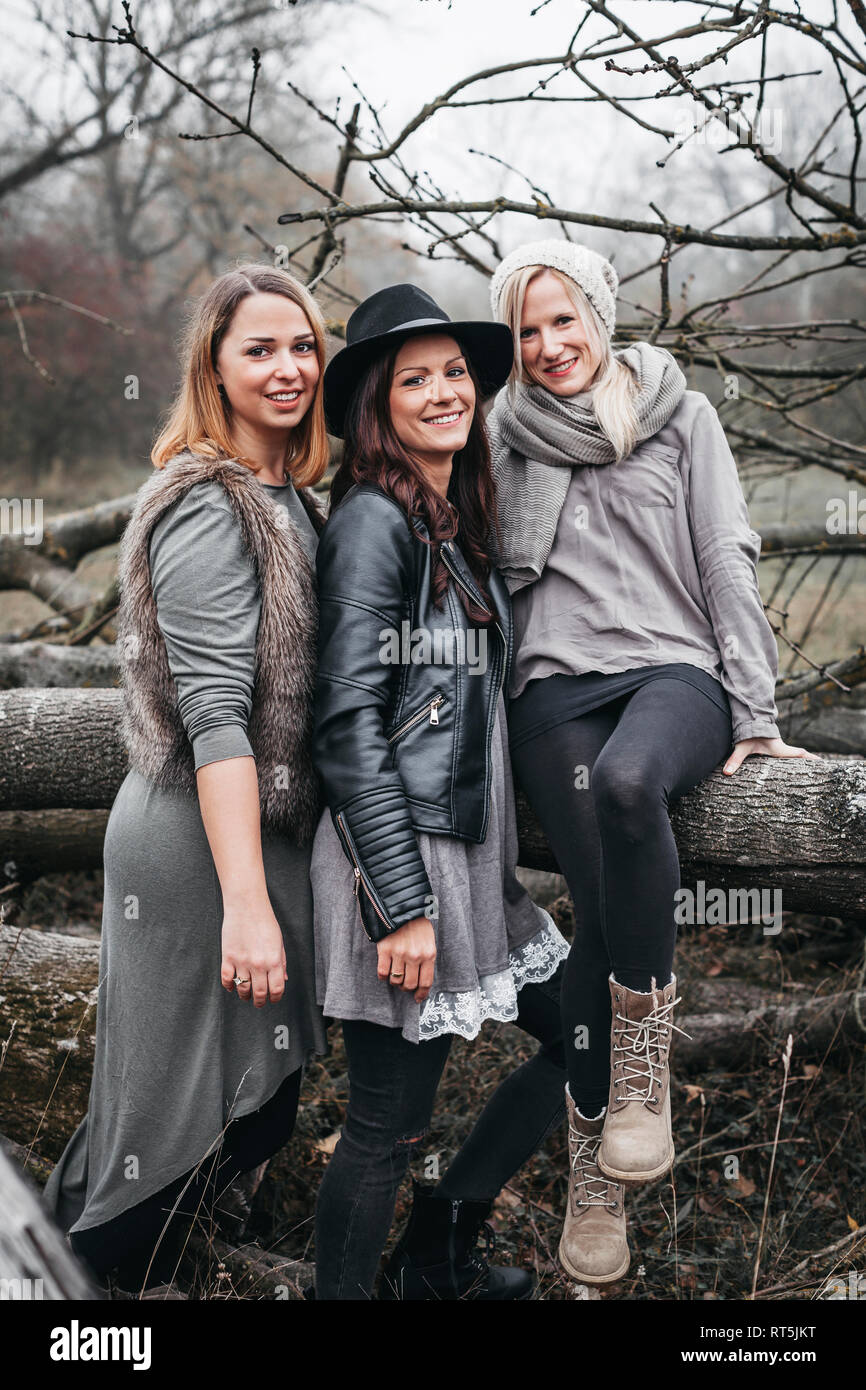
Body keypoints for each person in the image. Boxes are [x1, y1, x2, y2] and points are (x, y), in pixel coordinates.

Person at [486, 238, 820, 1285]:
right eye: (525, 330)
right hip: (549, 693)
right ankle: (595, 1178)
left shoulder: (678, 413)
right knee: (598, 911)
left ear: (599, 312)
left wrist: (753, 704)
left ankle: (641, 1072)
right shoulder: (499, 434)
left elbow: (723, 552)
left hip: (670, 679)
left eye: (561, 320)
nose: (546, 346)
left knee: (631, 787)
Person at [42, 263, 330, 1293]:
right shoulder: (210, 503)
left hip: (258, 842)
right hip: (196, 852)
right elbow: (216, 715)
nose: (288, 367)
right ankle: (74, 1297)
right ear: (211, 365)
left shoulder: (288, 495)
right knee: (168, 1138)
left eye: (302, 346)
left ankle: (104, 1283)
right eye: (259, 349)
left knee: (254, 1113)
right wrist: (245, 905)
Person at [309, 283, 571, 1301]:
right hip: (400, 862)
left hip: (470, 859)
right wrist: (400, 900)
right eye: (411, 378)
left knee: (587, 1032)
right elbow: (346, 721)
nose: (441, 392)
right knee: (382, 1124)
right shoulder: (374, 522)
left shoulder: (453, 521)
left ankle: (435, 1250)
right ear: (376, 404)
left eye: (454, 372)